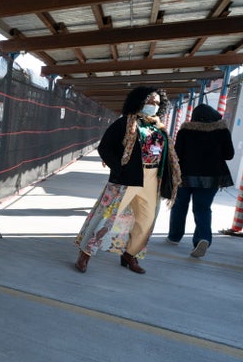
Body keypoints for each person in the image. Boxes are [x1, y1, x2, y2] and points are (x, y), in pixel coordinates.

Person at [74, 86, 181, 274]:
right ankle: (85, 254)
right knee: (107, 217)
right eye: (150, 102)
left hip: (152, 179)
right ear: (139, 102)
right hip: (126, 179)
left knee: (146, 221)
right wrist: (120, 169)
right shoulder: (125, 123)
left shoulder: (158, 127)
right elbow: (105, 148)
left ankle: (130, 255)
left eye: (157, 103)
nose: (153, 106)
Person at [167, 103, 234, 257]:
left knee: (179, 205)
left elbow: (178, 155)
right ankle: (202, 238)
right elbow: (229, 154)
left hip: (186, 175)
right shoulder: (221, 131)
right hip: (211, 177)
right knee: (203, 208)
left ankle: (174, 236)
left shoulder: (185, 130)